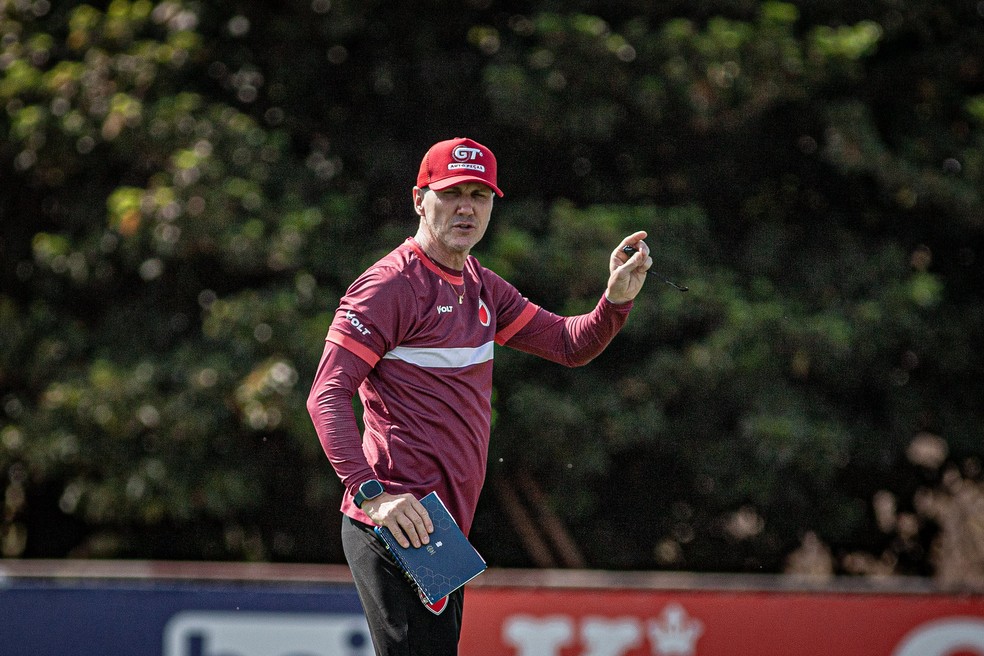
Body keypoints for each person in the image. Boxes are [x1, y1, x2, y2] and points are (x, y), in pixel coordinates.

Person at [306, 137, 651, 655]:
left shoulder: (483, 287)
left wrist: (615, 300)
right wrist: (371, 495)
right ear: (420, 199)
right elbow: (326, 395)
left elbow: (568, 344)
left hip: (440, 532)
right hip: (393, 520)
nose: (466, 207)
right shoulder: (389, 286)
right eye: (451, 193)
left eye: (480, 194)